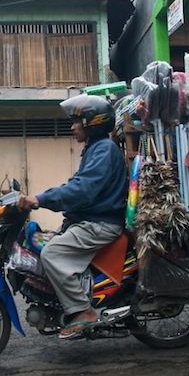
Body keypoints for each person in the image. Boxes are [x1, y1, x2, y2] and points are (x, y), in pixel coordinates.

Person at [18, 94, 128, 339]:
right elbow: (78, 185)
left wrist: (41, 199)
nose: (72, 126)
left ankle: (83, 312)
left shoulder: (104, 150)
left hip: (101, 224)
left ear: (92, 123)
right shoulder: (95, 149)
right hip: (90, 220)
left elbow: (82, 190)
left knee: (52, 253)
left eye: (77, 121)